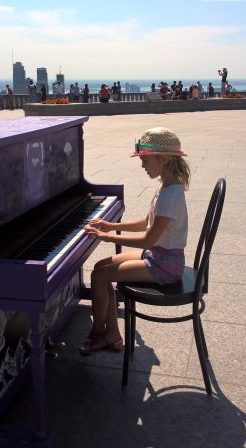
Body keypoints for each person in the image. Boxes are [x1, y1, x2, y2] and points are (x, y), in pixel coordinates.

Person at [79, 127, 190, 354]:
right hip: (158, 255)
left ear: (165, 159)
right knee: (101, 268)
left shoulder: (171, 194)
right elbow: (146, 222)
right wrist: (111, 226)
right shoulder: (167, 187)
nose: (142, 166)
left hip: (164, 265)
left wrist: (106, 237)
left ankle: (98, 332)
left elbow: (148, 240)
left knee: (100, 276)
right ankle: (112, 334)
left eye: (145, 160)